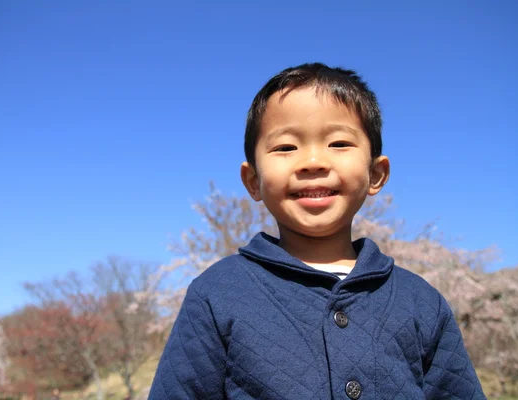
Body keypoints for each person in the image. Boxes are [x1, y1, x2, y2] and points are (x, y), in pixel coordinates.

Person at [148, 63, 485, 399]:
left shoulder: (421, 301)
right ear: (254, 181)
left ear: (376, 174)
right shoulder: (216, 294)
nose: (312, 161)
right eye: (285, 147)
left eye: (338, 143)